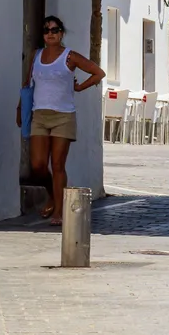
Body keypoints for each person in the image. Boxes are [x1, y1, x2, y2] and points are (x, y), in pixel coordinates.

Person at [17, 15, 104, 223]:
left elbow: (98, 73)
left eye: (55, 30)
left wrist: (80, 87)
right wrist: (20, 107)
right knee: (38, 165)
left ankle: (59, 211)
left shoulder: (69, 57)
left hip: (63, 116)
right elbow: (29, 84)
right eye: (46, 31)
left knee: (57, 165)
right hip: (39, 115)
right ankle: (53, 195)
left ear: (61, 33)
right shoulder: (36, 55)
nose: (50, 34)